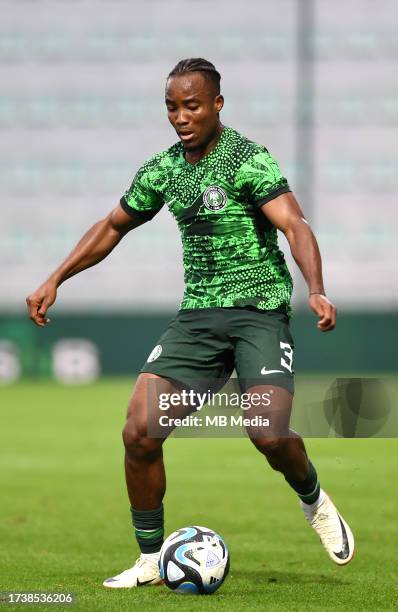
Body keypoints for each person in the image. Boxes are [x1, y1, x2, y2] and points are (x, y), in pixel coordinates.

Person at [26, 58, 354, 588]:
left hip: (257, 314)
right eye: (173, 107)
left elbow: (295, 224)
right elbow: (113, 226)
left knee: (269, 436)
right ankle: (151, 559)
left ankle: (313, 499)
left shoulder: (248, 160)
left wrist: (315, 288)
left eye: (193, 105)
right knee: (138, 431)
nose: (181, 117)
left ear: (217, 105)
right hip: (198, 320)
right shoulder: (164, 170)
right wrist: (55, 278)